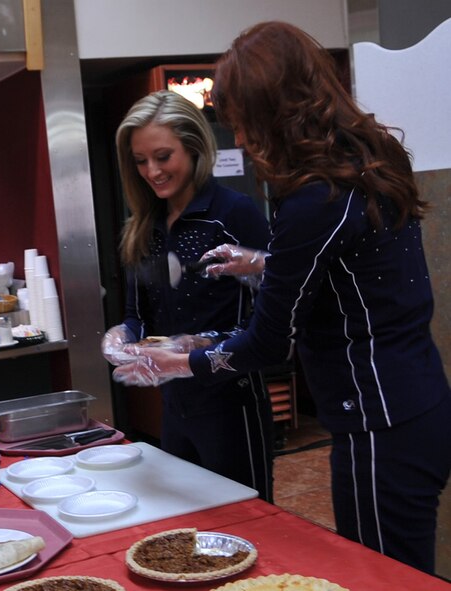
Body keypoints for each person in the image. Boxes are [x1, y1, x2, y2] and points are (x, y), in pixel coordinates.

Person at [112, 22, 451, 575]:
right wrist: (266, 262)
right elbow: (358, 268)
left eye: (245, 123)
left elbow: (270, 342)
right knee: (404, 571)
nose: (242, 140)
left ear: (278, 111)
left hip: (377, 420)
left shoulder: (311, 199)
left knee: (384, 578)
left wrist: (184, 362)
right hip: (416, 400)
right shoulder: (373, 156)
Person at [102, 90, 274, 501]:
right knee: (186, 526)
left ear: (195, 148)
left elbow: (271, 322)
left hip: (230, 403)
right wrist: (121, 336)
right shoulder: (145, 225)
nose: (152, 171)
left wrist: (194, 346)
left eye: (163, 157)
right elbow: (138, 315)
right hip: (175, 406)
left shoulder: (233, 214)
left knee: (246, 524)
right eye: (141, 161)